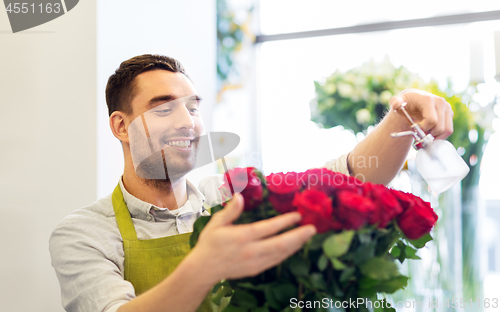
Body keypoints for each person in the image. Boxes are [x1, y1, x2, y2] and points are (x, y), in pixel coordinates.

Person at [49, 54, 454, 312]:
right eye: (164, 108)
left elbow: (345, 177)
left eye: (192, 107)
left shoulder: (229, 193)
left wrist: (401, 115)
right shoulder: (83, 233)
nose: (187, 122)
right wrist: (205, 265)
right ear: (121, 126)